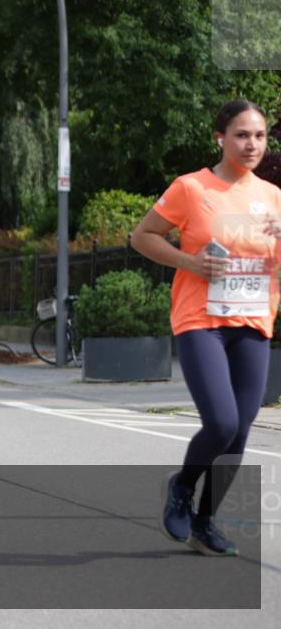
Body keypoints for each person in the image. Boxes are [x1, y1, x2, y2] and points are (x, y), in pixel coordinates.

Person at [131, 100, 274, 556]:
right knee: (222, 422)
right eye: (241, 135)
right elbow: (143, 237)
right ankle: (181, 487)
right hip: (201, 321)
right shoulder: (192, 188)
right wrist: (190, 262)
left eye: (259, 136)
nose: (251, 144)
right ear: (220, 137)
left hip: (252, 322)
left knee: (243, 430)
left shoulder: (273, 198)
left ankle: (205, 522)